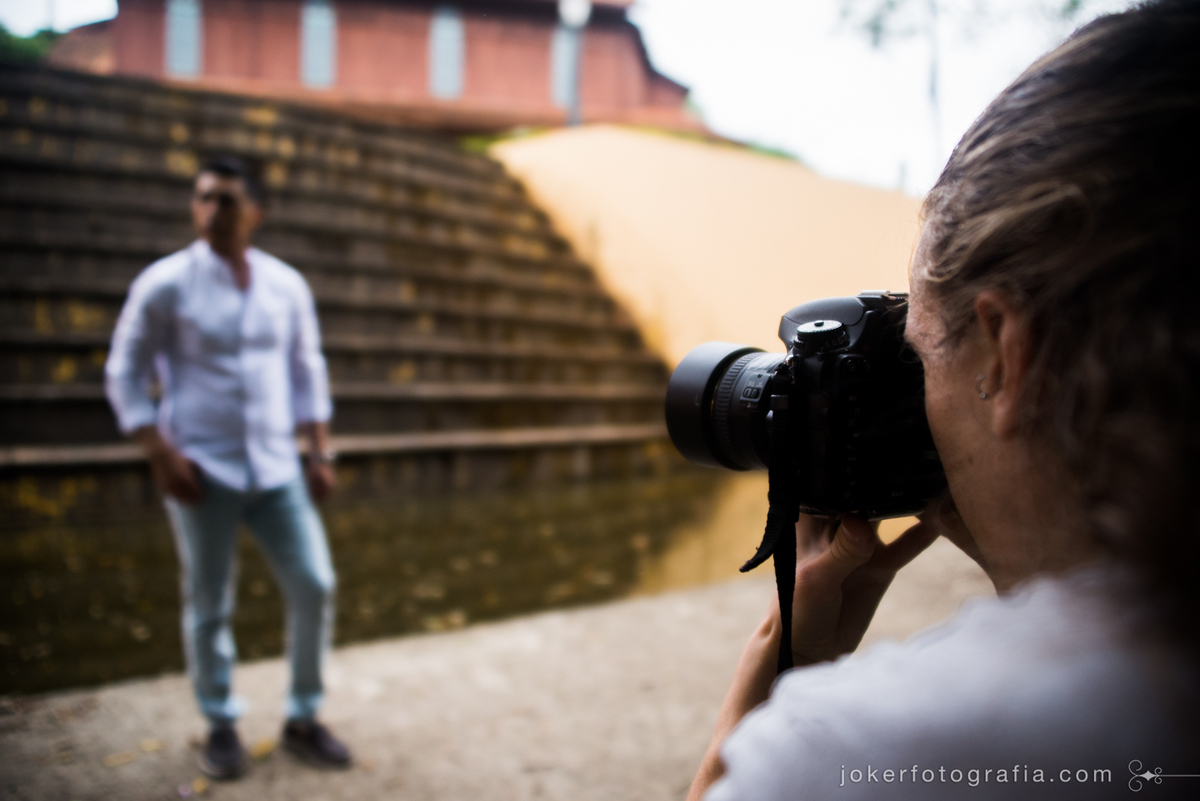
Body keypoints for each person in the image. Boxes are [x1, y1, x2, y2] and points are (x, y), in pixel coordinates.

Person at [687, 2, 1200, 799]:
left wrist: (774, 685)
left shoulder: (861, 748)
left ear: (1007, 350)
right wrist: (1037, 555)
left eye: (921, 354)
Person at [105, 157, 352, 778]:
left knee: (315, 584)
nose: (213, 212)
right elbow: (123, 371)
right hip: (201, 471)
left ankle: (303, 716)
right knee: (210, 602)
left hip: (277, 469)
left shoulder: (285, 285)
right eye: (203, 199)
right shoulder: (165, 284)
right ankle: (220, 724)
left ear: (255, 213)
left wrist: (319, 453)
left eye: (227, 201)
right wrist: (159, 452)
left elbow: (307, 370)